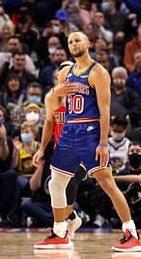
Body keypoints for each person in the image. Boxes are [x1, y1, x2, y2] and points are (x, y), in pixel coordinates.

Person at [34, 32, 141, 251]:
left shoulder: (99, 72)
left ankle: (132, 234)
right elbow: (52, 103)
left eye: (77, 40)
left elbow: (105, 110)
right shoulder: (66, 72)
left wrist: (103, 143)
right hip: (68, 132)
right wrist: (57, 90)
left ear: (88, 43)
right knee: (56, 183)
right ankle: (59, 232)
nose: (74, 44)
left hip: (90, 131)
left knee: (106, 182)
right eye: (70, 42)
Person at [32, 61, 84, 238]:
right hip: (61, 149)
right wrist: (41, 149)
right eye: (66, 70)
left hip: (82, 148)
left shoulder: (81, 96)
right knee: (56, 187)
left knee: (71, 182)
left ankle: (60, 229)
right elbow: (48, 124)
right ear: (58, 75)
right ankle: (70, 218)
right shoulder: (51, 98)